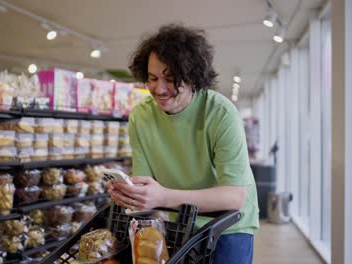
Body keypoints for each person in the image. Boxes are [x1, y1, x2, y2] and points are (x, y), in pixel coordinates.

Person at [108, 24, 259, 264]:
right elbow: (146, 183)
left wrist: (163, 197)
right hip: (177, 221)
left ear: (192, 77)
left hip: (228, 226)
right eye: (153, 78)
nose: (159, 89)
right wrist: (131, 194)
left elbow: (234, 197)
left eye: (171, 79)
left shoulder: (221, 113)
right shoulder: (141, 116)